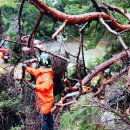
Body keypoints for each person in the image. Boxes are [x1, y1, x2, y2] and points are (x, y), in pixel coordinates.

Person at [23, 53, 54, 130]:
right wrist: (26, 68)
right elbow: (35, 72)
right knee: (48, 115)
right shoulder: (42, 71)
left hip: (46, 101)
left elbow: (46, 86)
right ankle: (51, 128)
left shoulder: (47, 75)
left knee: (43, 119)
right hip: (42, 100)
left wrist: (35, 87)